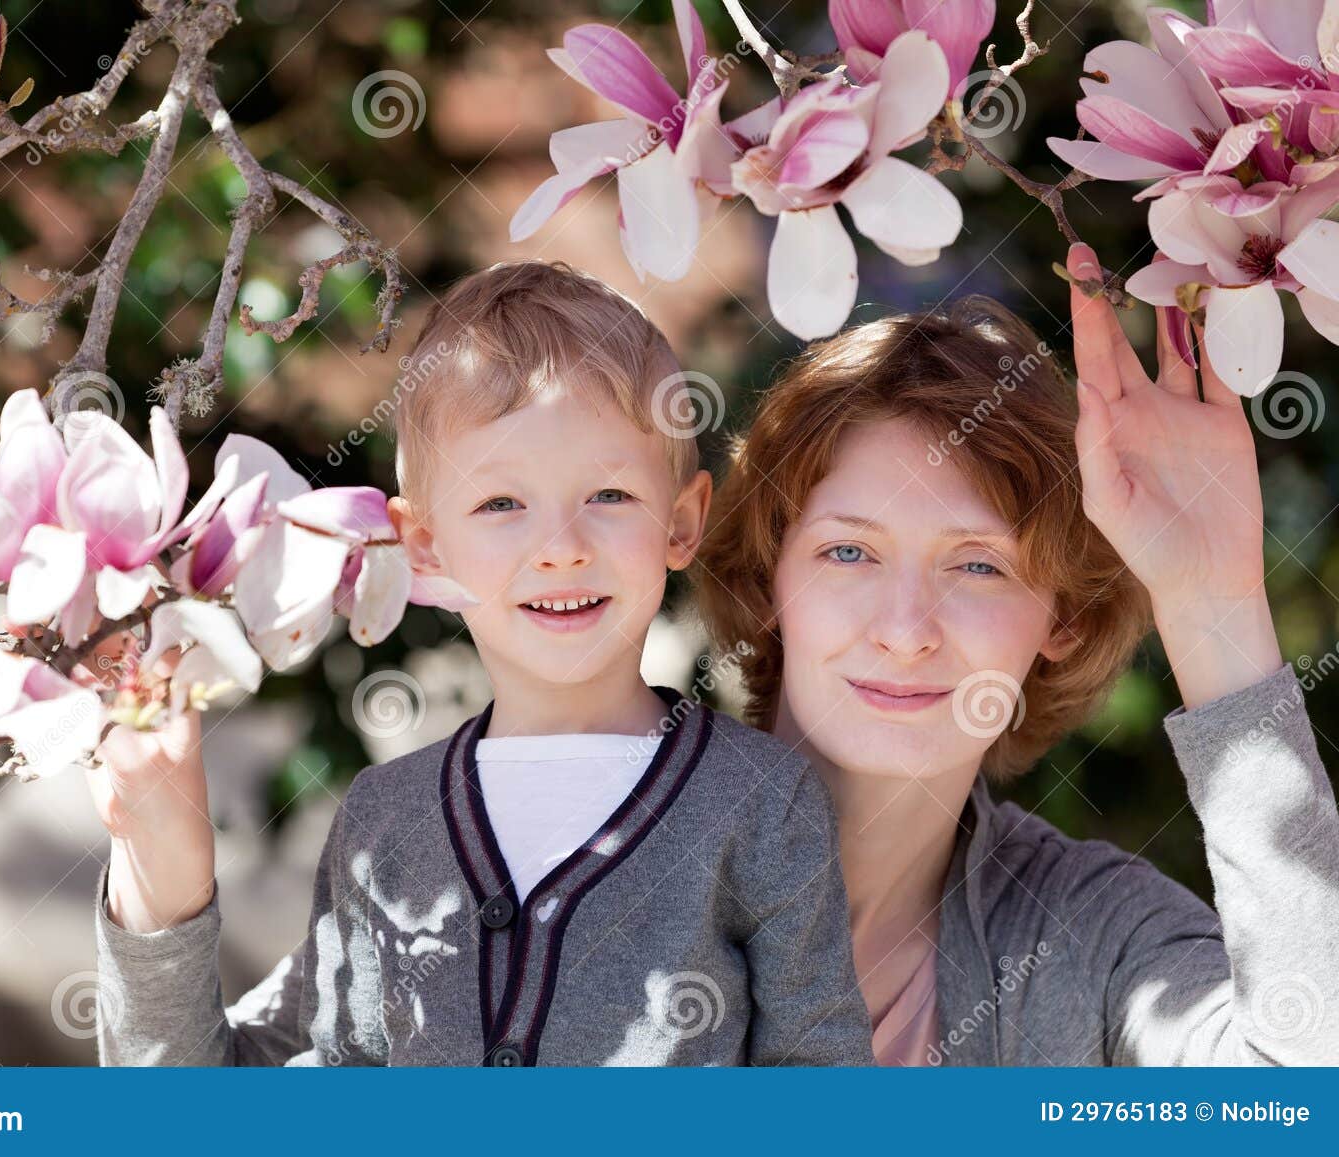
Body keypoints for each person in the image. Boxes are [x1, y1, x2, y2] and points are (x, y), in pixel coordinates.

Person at [88, 260, 875, 1066]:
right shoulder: (383, 822)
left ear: (681, 522)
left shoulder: (761, 802)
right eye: (501, 503)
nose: (561, 548)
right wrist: (158, 880)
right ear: (424, 548)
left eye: (608, 497)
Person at [697, 242, 1339, 1065]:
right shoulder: (605, 854)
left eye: (978, 565)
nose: (906, 627)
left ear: (1061, 620)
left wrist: (1214, 602)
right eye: (849, 553)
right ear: (766, 580)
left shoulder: (1091, 935)